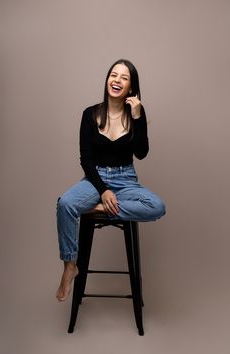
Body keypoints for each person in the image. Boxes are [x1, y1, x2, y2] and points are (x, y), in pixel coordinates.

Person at [56, 59, 166, 302]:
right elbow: (85, 159)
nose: (116, 80)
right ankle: (69, 266)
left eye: (124, 78)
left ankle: (95, 208)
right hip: (95, 179)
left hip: (126, 180)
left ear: (131, 87)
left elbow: (141, 153)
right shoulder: (89, 114)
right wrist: (103, 190)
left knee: (157, 207)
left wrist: (138, 117)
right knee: (65, 204)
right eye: (113, 75)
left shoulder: (136, 113)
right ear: (107, 79)